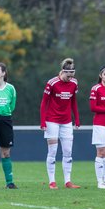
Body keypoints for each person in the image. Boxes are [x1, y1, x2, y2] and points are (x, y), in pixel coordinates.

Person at [40, 58, 80, 189]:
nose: (70, 78)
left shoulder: (74, 83)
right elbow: (44, 103)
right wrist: (42, 121)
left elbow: (73, 102)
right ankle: (52, 181)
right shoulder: (52, 83)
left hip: (67, 121)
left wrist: (77, 119)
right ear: (62, 72)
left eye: (72, 76)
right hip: (51, 121)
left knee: (68, 151)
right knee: (52, 151)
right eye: (68, 76)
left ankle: (68, 181)